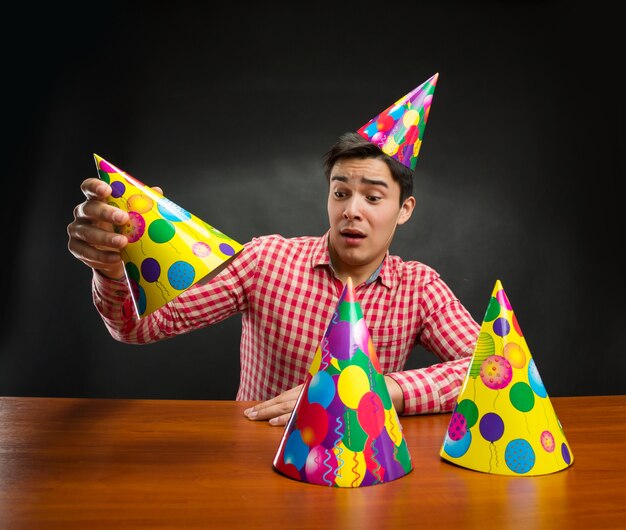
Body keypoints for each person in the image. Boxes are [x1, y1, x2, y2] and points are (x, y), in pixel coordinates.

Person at [67, 131, 480, 425]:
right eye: (340, 193)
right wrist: (112, 269)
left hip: (359, 470)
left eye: (373, 197)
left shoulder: (419, 287)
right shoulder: (267, 260)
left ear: (404, 209)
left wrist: (376, 390)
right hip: (253, 459)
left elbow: (494, 369)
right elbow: (140, 327)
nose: (352, 210)